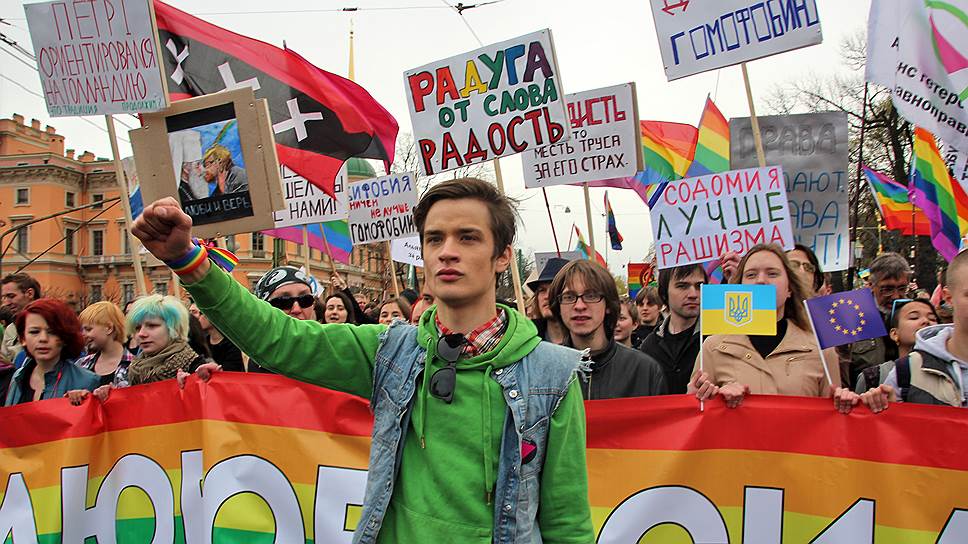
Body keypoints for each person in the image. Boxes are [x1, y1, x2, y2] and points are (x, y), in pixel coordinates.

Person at [132, 178, 594, 542]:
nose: (447, 250)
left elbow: (567, 523)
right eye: (434, 239)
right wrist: (188, 260)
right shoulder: (391, 351)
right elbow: (278, 337)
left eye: (468, 237)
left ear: (502, 257)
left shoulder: (551, 375)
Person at [690, 244, 840, 408]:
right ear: (739, 287)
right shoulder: (713, 348)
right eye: (751, 274)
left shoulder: (821, 349)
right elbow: (696, 416)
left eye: (772, 273)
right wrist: (707, 397)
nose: (761, 280)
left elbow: (832, 420)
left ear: (789, 288)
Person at [550, 259, 667, 400]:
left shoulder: (645, 371)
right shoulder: (544, 371)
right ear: (559, 306)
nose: (579, 306)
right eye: (569, 297)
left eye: (591, 296)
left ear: (608, 305)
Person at [5, 298, 97, 406]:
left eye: (52, 332)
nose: (43, 338)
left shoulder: (87, 381)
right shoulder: (18, 377)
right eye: (34, 332)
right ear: (23, 338)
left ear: (65, 337)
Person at [639, 264, 707, 394]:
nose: (693, 294)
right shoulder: (649, 347)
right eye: (682, 286)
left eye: (699, 286)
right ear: (664, 293)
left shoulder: (715, 340)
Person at [848, 252, 911, 388]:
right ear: (871, 285)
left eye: (901, 288)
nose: (895, 296)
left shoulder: (914, 317)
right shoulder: (853, 318)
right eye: (887, 289)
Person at [854, 299, 939, 392]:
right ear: (894, 334)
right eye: (914, 317)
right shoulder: (873, 378)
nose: (926, 321)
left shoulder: (952, 372)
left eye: (932, 319)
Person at [122, 295, 207, 386]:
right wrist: (112, 396)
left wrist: (191, 387)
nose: (141, 334)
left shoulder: (197, 367)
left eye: (152, 326)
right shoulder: (135, 369)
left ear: (174, 328)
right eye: (137, 328)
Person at [74, 301, 135, 387]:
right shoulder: (81, 365)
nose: (83, 335)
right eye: (82, 330)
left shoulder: (135, 367)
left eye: (88, 329)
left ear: (109, 328)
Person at [190, 302, 244, 372]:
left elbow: (232, 371)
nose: (197, 318)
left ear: (211, 316)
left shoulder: (232, 344)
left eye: (201, 313)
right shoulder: (202, 342)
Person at [1, 273, 41, 365]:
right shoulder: (10, 329)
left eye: (11, 296)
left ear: (30, 293)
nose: (6, 303)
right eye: (4, 297)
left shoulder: (51, 322)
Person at [527, 257, 569, 344]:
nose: (547, 296)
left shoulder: (586, 343)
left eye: (555, 289)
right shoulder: (527, 341)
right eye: (542, 290)